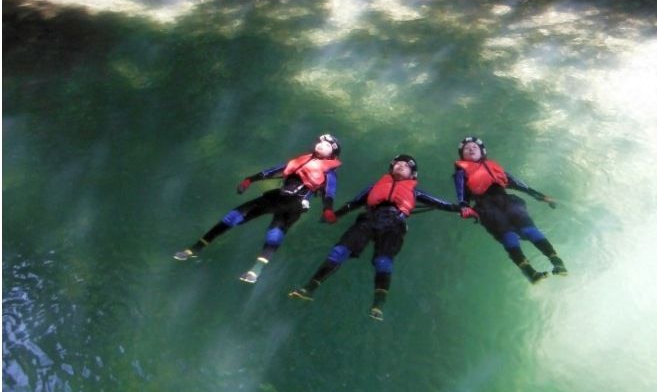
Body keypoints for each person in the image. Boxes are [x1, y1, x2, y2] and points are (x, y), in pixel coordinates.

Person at [288, 154, 478, 321]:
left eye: (406, 166)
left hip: (394, 223)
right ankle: (309, 288)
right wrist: (335, 214)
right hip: (368, 218)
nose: (401, 166)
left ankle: (378, 305)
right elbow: (354, 203)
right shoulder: (375, 186)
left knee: (383, 261)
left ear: (413, 175)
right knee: (340, 250)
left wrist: (462, 208)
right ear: (391, 168)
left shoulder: (414, 191)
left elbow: (441, 204)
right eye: (398, 164)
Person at [173, 134, 342, 284]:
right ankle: (195, 248)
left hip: (294, 205)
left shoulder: (329, 174)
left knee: (274, 234)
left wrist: (327, 210)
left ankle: (255, 271)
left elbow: (329, 193)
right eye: (321, 142)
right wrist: (250, 180)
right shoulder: (303, 160)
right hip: (276, 196)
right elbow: (274, 171)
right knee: (233, 216)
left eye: (327, 146)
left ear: (332, 155)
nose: (321, 145)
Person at [453, 136, 567, 284]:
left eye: (474, 147)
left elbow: (520, 186)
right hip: (486, 207)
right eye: (467, 149)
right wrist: (463, 207)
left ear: (482, 152)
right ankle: (529, 271)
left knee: (529, 229)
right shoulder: (461, 173)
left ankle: (557, 262)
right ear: (463, 156)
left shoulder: (495, 169)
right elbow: (461, 194)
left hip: (508, 201)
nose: (471, 149)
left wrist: (542, 197)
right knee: (508, 234)